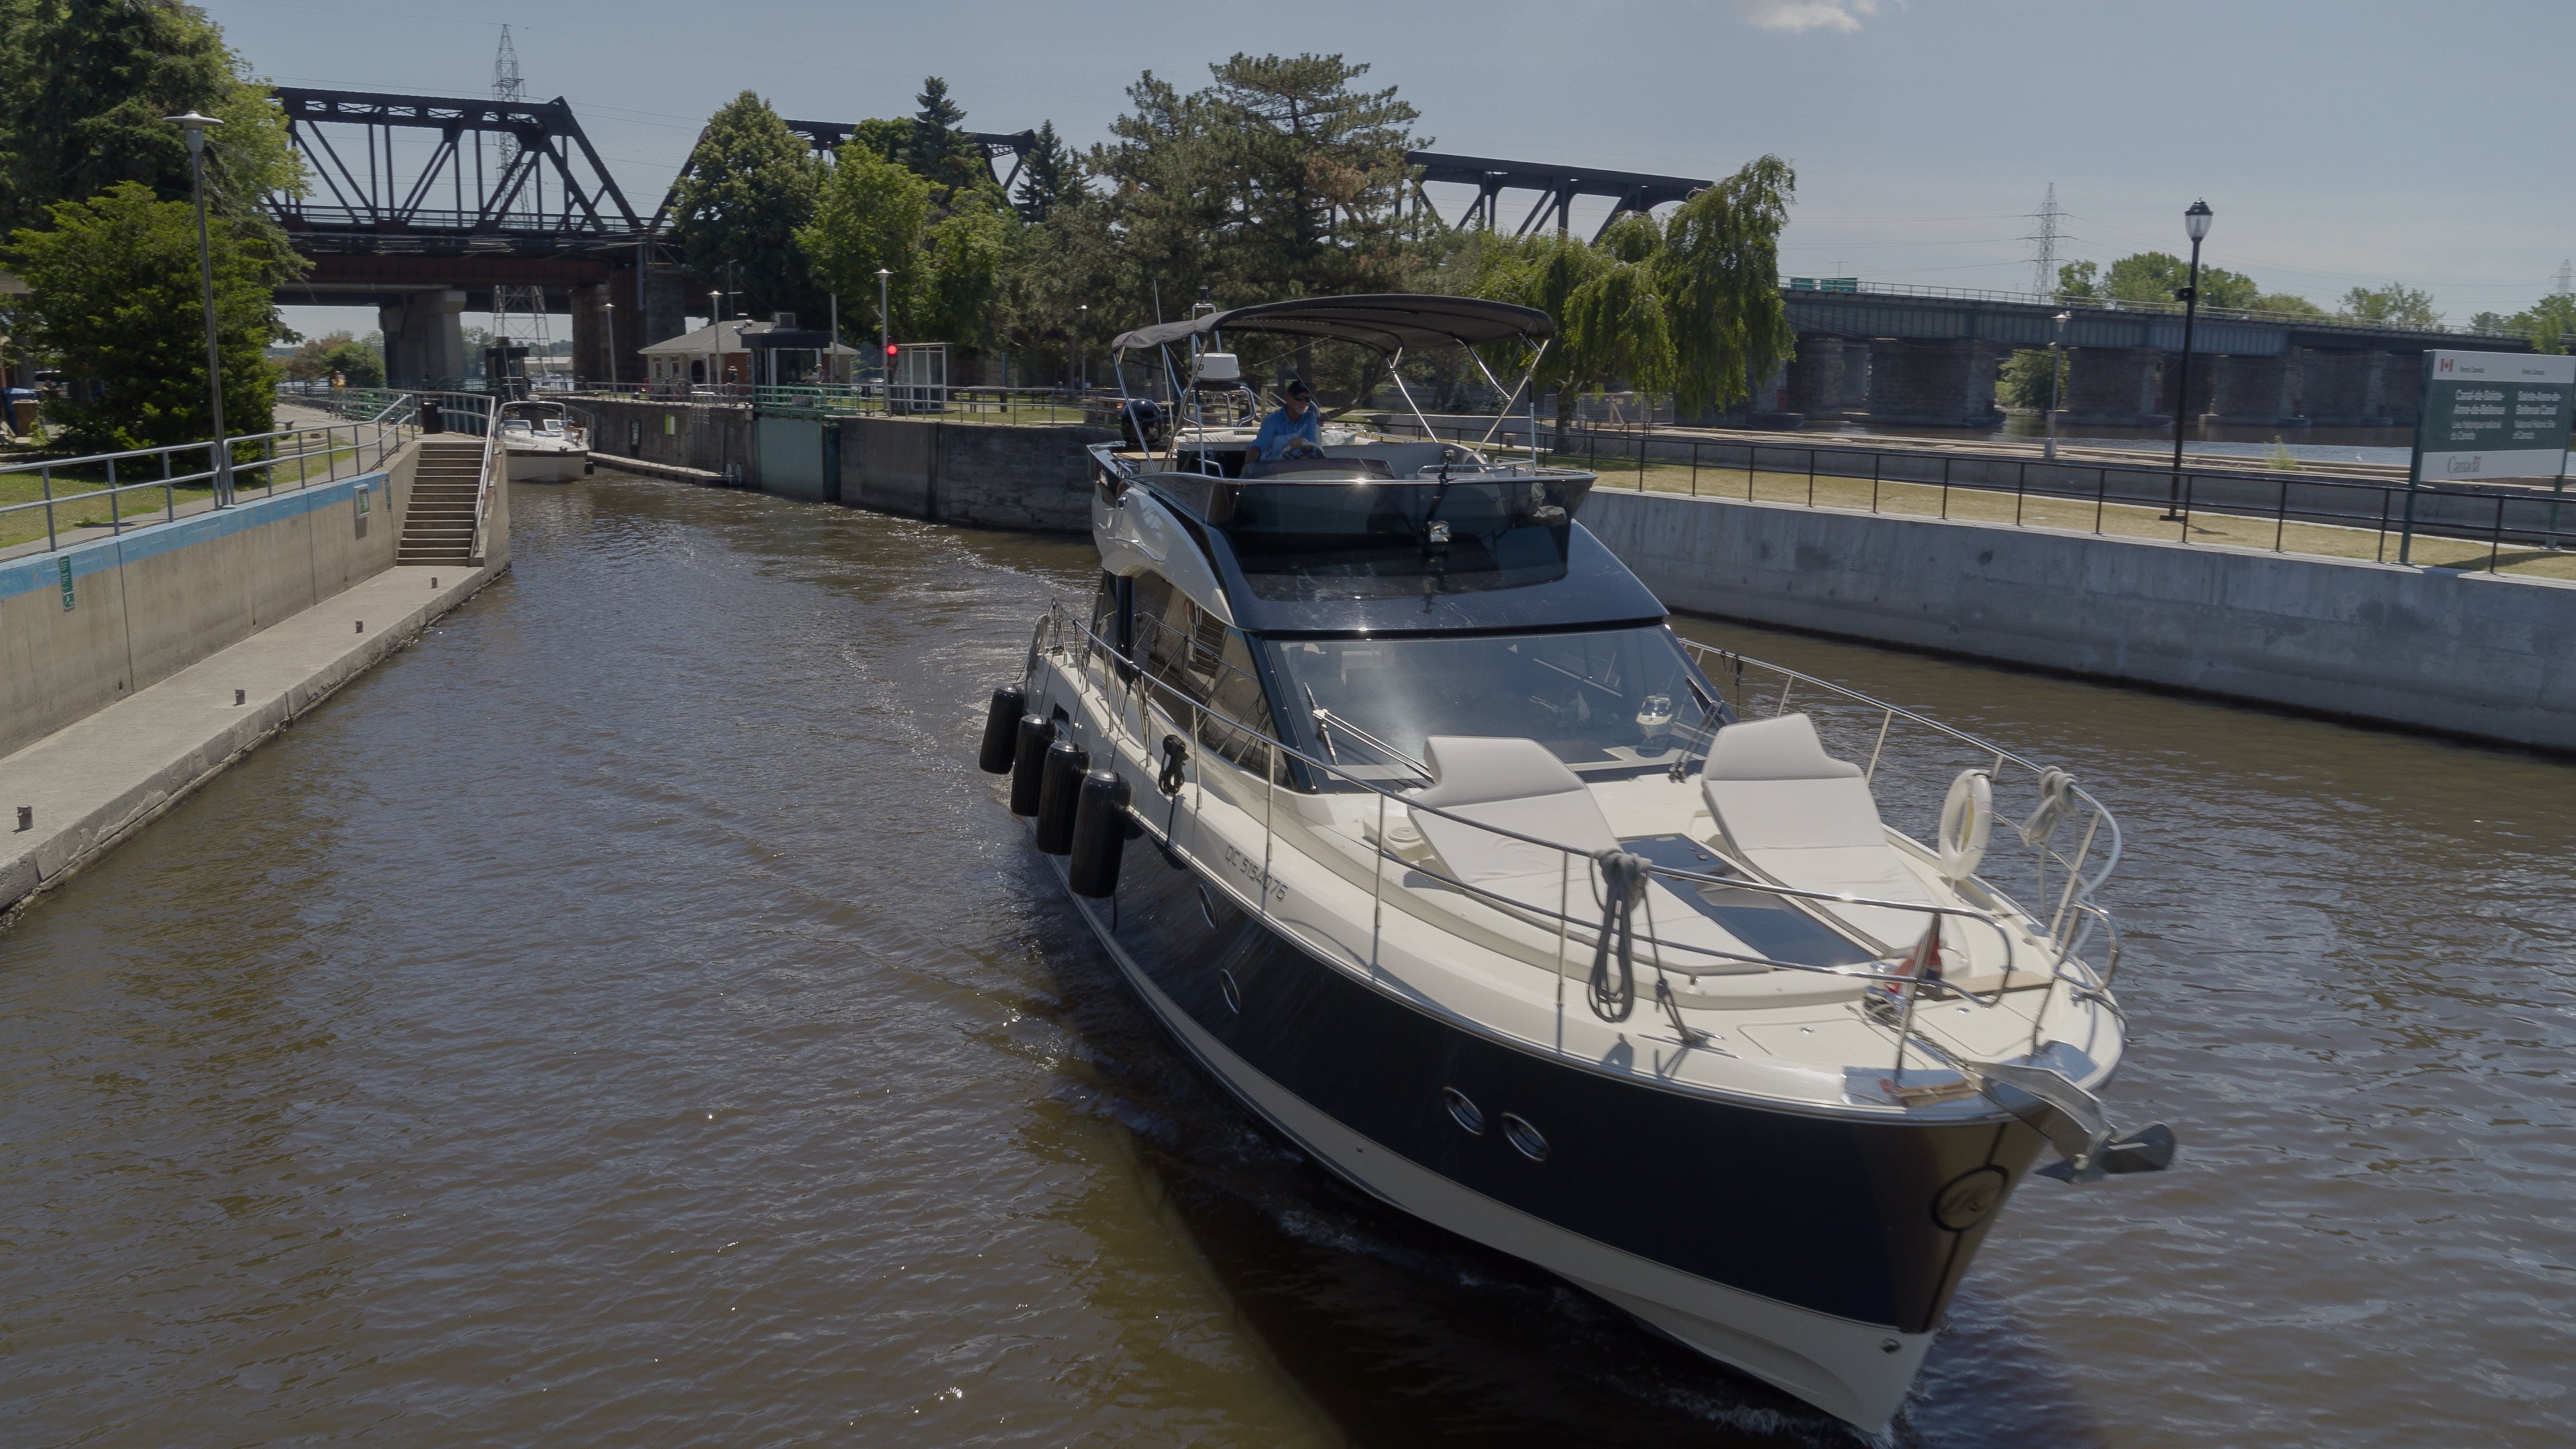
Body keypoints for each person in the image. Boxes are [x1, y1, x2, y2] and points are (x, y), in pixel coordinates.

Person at [1252, 378, 1323, 461]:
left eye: (1308, 399)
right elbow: (1259, 446)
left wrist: (1304, 443)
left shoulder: (1310, 417)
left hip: (1299, 468)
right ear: (1288, 398)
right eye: (1299, 397)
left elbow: (1310, 445)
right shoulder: (1272, 420)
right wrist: (1248, 467)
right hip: (1272, 468)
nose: (1304, 402)